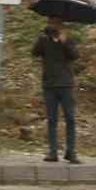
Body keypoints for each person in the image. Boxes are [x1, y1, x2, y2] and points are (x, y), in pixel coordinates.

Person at [30, 17, 79, 163]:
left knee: (70, 118)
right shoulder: (44, 40)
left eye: (55, 24)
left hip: (65, 84)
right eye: (50, 24)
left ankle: (71, 152)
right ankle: (53, 152)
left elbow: (75, 56)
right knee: (52, 119)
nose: (53, 27)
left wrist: (64, 42)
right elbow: (34, 52)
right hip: (49, 85)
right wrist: (42, 37)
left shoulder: (68, 40)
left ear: (61, 26)